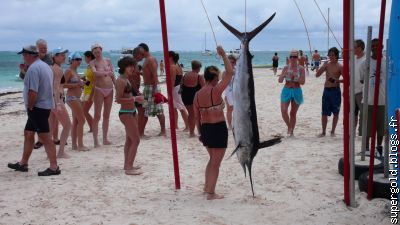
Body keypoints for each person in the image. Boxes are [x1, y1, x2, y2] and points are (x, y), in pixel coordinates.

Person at [7, 45, 60, 176]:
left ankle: (54, 167)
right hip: (43, 105)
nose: (23, 57)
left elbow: (33, 92)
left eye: (24, 55)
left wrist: (30, 107)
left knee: (45, 137)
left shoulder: (34, 69)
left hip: (37, 107)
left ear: (29, 55)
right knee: (28, 133)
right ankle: (23, 163)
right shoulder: (44, 66)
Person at [193, 45, 233, 200]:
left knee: (212, 160)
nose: (219, 80)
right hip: (217, 128)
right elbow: (229, 73)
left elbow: (196, 117)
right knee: (216, 163)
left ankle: (206, 187)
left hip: (205, 129)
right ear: (215, 78)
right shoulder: (215, 90)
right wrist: (223, 55)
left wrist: (200, 133)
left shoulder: (197, 94)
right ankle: (211, 193)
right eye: (217, 78)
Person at [115, 56, 144, 175]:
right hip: (126, 113)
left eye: (133, 66)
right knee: (136, 140)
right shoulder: (120, 80)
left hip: (132, 111)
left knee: (129, 140)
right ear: (123, 67)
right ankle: (128, 167)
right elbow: (118, 99)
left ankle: (127, 164)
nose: (132, 68)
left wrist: (137, 97)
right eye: (130, 66)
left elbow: (127, 96)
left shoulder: (126, 79)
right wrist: (135, 98)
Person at [360, 38, 386, 157]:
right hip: (368, 101)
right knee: (367, 127)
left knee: (381, 128)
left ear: (382, 47)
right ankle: (366, 148)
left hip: (382, 101)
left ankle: (379, 148)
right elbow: (362, 80)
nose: (375, 48)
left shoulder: (386, 63)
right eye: (373, 46)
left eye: (377, 46)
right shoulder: (365, 63)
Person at [90, 43, 116, 147]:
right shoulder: (93, 62)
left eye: (98, 51)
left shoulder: (108, 60)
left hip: (110, 89)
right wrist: (106, 73)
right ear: (93, 53)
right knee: (97, 115)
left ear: (101, 50)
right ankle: (96, 140)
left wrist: (117, 87)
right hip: (99, 89)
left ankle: (105, 138)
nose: (97, 53)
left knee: (106, 115)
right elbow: (95, 73)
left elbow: (113, 74)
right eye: (95, 52)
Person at [139, 43, 166, 137]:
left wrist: (155, 90)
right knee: (146, 109)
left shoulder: (150, 59)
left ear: (143, 50)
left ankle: (163, 131)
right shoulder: (147, 60)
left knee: (158, 110)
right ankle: (141, 132)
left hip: (152, 87)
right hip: (148, 87)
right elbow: (149, 74)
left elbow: (154, 75)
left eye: (140, 51)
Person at [316, 47, 343, 137]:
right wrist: (323, 66)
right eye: (329, 55)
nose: (331, 57)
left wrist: (337, 80)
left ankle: (332, 131)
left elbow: (347, 79)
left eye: (333, 55)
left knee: (336, 112)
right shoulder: (326, 64)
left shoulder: (340, 66)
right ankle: (323, 132)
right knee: (324, 113)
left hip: (335, 91)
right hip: (327, 90)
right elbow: (317, 75)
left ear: (336, 55)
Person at [64, 52, 89, 151]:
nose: (79, 61)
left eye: (80, 59)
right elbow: (63, 85)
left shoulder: (75, 71)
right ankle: (80, 145)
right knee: (82, 120)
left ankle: (74, 145)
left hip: (77, 98)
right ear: (72, 60)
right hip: (72, 98)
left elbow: (76, 84)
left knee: (76, 121)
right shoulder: (68, 71)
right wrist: (76, 85)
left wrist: (82, 84)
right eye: (77, 59)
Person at [50, 47, 72, 158]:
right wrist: (58, 103)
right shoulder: (57, 69)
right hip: (56, 100)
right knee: (68, 125)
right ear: (55, 56)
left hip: (51, 100)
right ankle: (61, 152)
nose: (64, 56)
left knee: (50, 127)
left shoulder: (54, 67)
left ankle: (51, 154)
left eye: (64, 54)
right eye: (61, 55)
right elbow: (55, 87)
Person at [278, 50, 305, 136]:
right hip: (286, 90)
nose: (293, 58)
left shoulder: (301, 69)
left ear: (297, 58)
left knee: (293, 113)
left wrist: (296, 77)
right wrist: (283, 75)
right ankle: (289, 127)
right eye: (291, 56)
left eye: (295, 57)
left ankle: (291, 132)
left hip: (296, 90)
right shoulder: (286, 67)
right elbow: (280, 80)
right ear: (289, 57)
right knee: (283, 110)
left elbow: (303, 82)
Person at [34, 39, 55, 149]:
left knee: (47, 117)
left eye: (45, 48)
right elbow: (24, 76)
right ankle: (40, 139)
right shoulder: (32, 58)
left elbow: (50, 73)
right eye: (41, 48)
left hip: (46, 91)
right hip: (34, 92)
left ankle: (47, 139)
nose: (43, 50)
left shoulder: (48, 58)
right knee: (36, 117)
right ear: (36, 48)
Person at [181, 60, 205, 137]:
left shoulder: (185, 75)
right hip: (194, 97)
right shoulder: (199, 76)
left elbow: (180, 88)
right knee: (195, 114)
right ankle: (194, 132)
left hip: (185, 96)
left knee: (190, 114)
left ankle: (192, 132)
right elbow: (204, 88)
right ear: (198, 68)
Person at [169, 51, 189, 130]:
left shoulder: (173, 66)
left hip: (174, 88)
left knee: (180, 107)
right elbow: (181, 78)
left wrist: (170, 91)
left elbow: (173, 79)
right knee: (174, 107)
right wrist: (181, 87)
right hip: (178, 87)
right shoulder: (178, 65)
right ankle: (175, 125)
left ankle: (187, 126)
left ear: (170, 57)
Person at [132, 46, 146, 137]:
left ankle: (137, 131)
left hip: (134, 90)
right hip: (133, 90)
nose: (143, 56)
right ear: (137, 54)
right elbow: (130, 78)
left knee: (136, 111)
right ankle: (139, 132)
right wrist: (137, 91)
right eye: (142, 54)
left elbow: (134, 75)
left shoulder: (135, 63)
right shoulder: (132, 63)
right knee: (142, 111)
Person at [353, 39, 366, 135]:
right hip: (352, 90)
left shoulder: (366, 59)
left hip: (362, 90)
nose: (353, 49)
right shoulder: (353, 59)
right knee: (353, 114)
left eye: (355, 47)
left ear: (361, 48)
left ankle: (362, 132)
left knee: (363, 113)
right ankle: (352, 132)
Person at [82, 51, 96, 132]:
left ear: (89, 57)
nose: (84, 59)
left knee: (85, 111)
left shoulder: (93, 66)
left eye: (85, 57)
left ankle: (93, 127)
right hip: (86, 90)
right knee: (84, 111)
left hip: (91, 91)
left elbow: (95, 81)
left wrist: (92, 95)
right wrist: (83, 79)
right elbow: (88, 80)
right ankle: (92, 127)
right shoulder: (88, 66)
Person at [223, 55, 237, 129]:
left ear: (235, 63)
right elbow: (223, 85)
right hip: (228, 94)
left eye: (232, 62)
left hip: (237, 94)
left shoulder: (237, 71)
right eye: (229, 62)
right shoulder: (224, 72)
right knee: (229, 110)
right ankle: (230, 125)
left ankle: (236, 124)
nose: (231, 63)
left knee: (237, 110)